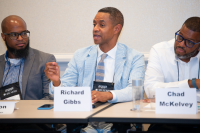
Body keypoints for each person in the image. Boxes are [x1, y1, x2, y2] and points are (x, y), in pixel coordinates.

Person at [45, 7, 145, 132]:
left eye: (101, 25)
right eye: (94, 24)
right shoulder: (80, 55)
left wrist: (108, 95)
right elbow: (63, 93)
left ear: (116, 29)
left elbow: (136, 91)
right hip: (84, 122)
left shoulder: (134, 57)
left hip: (117, 123)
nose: (95, 29)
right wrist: (56, 82)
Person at [144, 17, 200, 132]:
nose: (181, 44)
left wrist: (167, 95)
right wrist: (191, 84)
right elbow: (151, 90)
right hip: (166, 121)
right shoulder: (159, 50)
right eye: (180, 37)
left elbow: (158, 94)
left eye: (189, 42)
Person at [0, 15, 56, 100]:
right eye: (14, 34)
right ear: (3, 37)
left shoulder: (44, 60)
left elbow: (50, 97)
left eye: (23, 33)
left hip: (31, 113)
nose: (20, 38)